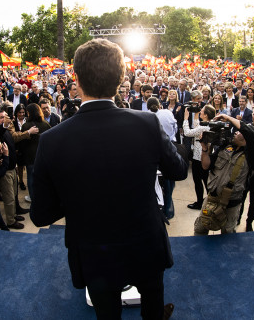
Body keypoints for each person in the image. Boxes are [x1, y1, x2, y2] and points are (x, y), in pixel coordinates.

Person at [30, 39, 187, 319]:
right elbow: (179, 171)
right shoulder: (147, 124)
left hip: (93, 251)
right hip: (145, 243)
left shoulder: (51, 141)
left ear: (75, 81)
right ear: (122, 78)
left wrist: (77, 198)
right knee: (153, 310)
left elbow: (41, 215)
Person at [194, 113, 254, 235]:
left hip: (231, 204)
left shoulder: (252, 155)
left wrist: (227, 117)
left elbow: (248, 131)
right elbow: (205, 166)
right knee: (199, 229)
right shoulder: (226, 147)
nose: (235, 132)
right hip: (211, 198)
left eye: (239, 132)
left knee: (227, 234)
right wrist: (204, 149)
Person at [148, 97, 178, 219]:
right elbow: (175, 127)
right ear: (159, 105)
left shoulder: (147, 117)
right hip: (170, 148)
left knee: (159, 181)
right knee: (169, 178)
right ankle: (168, 209)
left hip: (155, 151)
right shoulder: (167, 113)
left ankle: (163, 207)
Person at [183, 104, 215, 210]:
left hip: (199, 157)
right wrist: (196, 115)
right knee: (206, 180)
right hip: (207, 156)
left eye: (201, 111)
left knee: (198, 181)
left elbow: (188, 133)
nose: (200, 111)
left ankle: (200, 203)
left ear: (205, 115)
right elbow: (197, 128)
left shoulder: (203, 127)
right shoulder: (210, 124)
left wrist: (185, 119)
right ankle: (211, 202)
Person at [20, 103, 51, 203]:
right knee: (43, 177)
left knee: (30, 177)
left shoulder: (26, 126)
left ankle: (33, 197)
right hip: (43, 155)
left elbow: (22, 142)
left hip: (30, 156)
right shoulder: (45, 123)